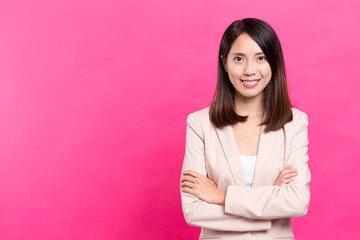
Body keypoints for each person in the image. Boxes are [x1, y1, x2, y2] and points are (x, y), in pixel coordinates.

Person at [180, 18, 310, 239]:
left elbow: (297, 202)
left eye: (260, 58)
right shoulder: (199, 123)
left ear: (274, 62)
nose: (250, 70)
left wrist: (220, 196)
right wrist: (270, 205)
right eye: (239, 58)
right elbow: (194, 211)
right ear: (225, 62)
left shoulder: (294, 122)